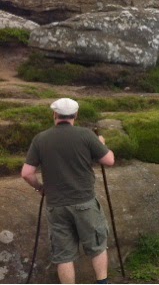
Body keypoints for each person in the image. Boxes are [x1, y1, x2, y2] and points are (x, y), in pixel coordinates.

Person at [21, 98, 115, 284]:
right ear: (75, 115)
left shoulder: (40, 139)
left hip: (56, 205)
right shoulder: (86, 135)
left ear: (54, 115)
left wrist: (40, 188)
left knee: (63, 255)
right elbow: (109, 160)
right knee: (97, 246)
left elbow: (26, 173)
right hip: (85, 203)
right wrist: (101, 144)